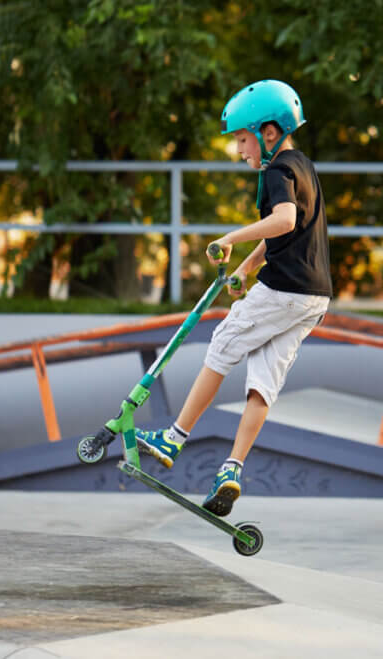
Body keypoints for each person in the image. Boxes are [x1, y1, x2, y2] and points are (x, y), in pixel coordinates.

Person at [136, 79, 332, 516]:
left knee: (223, 344)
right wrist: (246, 267)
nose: (239, 149)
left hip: (284, 289)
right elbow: (289, 232)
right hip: (314, 298)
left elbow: (284, 220)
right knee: (263, 381)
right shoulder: (302, 166)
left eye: (243, 139)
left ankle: (173, 438)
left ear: (268, 132)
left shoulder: (277, 171)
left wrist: (229, 237)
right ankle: (231, 469)